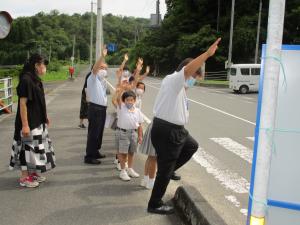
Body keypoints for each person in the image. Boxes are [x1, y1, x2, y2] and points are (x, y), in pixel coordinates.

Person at [147, 38, 221, 214]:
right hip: (167, 130)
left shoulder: (180, 90)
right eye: (195, 77)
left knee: (191, 146)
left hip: (176, 130)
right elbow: (188, 70)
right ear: (188, 73)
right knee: (164, 169)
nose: (194, 81)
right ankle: (154, 203)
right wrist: (207, 55)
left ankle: (170, 170)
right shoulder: (174, 80)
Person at [9, 53, 56, 188]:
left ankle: (33, 172)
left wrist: (44, 115)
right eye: (43, 65)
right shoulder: (26, 80)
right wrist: (25, 125)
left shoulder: (35, 79)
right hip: (28, 122)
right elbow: (22, 103)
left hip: (37, 120)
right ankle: (24, 177)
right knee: (26, 149)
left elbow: (39, 101)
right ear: (36, 65)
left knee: (35, 148)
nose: (45, 67)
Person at [84, 47, 108, 165]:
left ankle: (96, 151)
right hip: (95, 109)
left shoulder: (101, 81)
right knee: (93, 133)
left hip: (102, 109)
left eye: (105, 68)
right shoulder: (92, 78)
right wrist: (102, 56)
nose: (104, 70)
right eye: (102, 68)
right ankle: (89, 156)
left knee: (99, 132)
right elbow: (95, 69)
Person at [114, 90, 144, 181]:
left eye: (131, 100)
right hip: (122, 133)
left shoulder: (137, 111)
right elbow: (117, 98)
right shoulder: (121, 107)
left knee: (131, 152)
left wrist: (140, 136)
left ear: (134, 100)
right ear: (124, 100)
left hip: (133, 133)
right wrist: (121, 88)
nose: (130, 102)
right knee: (123, 153)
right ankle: (123, 171)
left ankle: (130, 169)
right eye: (127, 100)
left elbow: (140, 124)